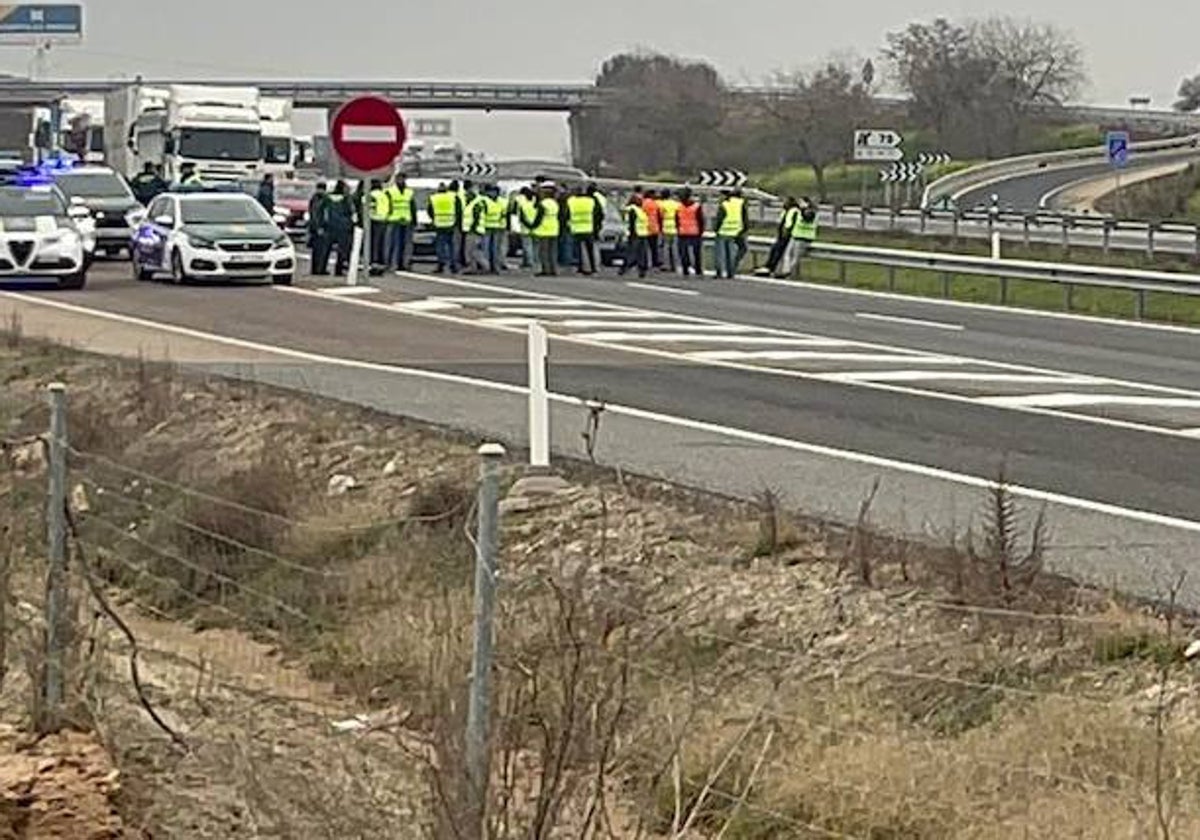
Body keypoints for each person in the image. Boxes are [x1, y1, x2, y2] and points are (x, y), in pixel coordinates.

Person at [775, 199, 819, 278]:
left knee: (795, 257)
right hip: (796, 236)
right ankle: (786, 271)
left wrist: (803, 209)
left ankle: (787, 272)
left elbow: (807, 217)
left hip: (803, 238)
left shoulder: (810, 213)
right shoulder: (800, 212)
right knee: (787, 255)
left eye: (802, 202)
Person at [566, 184, 602, 276]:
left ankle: (580, 268)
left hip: (576, 228)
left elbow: (567, 214)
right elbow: (599, 214)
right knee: (590, 250)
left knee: (578, 251)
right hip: (589, 228)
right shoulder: (591, 201)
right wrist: (597, 226)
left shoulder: (571, 201)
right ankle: (593, 269)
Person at [427, 181, 462, 274]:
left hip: (439, 224)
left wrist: (435, 219)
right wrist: (457, 222)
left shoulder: (434, 198)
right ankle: (453, 265)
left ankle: (441, 264)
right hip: (451, 224)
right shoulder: (453, 197)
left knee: (440, 246)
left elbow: (430, 210)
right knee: (452, 245)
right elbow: (459, 210)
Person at [759, 197, 799, 276]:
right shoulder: (785, 211)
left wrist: (787, 233)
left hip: (788, 235)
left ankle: (771, 268)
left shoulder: (794, 211)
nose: (784, 203)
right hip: (781, 234)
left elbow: (791, 224)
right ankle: (768, 266)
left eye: (786, 201)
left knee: (778, 251)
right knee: (774, 249)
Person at [713, 189, 748, 279]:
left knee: (720, 253)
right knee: (731, 253)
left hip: (723, 231)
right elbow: (744, 217)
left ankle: (719, 272)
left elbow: (720, 218)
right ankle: (731, 273)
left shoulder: (725, 204)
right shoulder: (741, 203)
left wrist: (716, 229)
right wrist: (743, 229)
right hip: (735, 231)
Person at [385, 173, 416, 271]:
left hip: (406, 220)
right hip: (394, 220)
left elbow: (412, 207)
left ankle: (405, 264)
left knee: (406, 244)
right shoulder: (390, 192)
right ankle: (392, 264)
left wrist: (414, 220)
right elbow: (386, 206)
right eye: (399, 179)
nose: (401, 181)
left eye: (403, 179)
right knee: (394, 244)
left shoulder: (409, 192)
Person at [325, 180, 355, 277]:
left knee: (326, 249)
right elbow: (351, 212)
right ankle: (339, 269)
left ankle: (321, 267)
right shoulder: (346, 199)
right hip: (343, 227)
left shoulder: (328, 198)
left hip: (330, 226)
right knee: (343, 249)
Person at [529, 183, 561, 277]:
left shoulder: (543, 204)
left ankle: (545, 269)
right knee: (553, 252)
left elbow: (539, 217)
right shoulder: (555, 203)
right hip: (554, 229)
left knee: (544, 252)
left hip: (543, 230)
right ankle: (553, 269)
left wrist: (532, 226)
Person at [617, 191, 649, 279]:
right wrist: (631, 234)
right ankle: (625, 268)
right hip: (636, 234)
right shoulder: (633, 209)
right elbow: (631, 223)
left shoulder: (639, 209)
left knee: (640, 254)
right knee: (632, 253)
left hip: (642, 234)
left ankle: (641, 269)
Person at [676, 189, 705, 276]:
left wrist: (678, 229)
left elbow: (676, 220)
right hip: (694, 231)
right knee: (696, 252)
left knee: (683, 252)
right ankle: (698, 269)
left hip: (683, 232)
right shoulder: (696, 206)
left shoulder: (679, 207)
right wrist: (701, 231)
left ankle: (686, 269)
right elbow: (701, 220)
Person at [462, 185, 489, 274]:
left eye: (467, 195)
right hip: (471, 230)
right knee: (471, 251)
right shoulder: (471, 203)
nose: (466, 197)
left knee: (473, 251)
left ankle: (485, 266)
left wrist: (472, 228)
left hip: (474, 231)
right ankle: (472, 267)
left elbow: (476, 217)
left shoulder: (476, 204)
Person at [366, 178, 390, 274]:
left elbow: (369, 208)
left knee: (373, 244)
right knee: (381, 244)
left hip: (374, 221)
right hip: (383, 220)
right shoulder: (384, 195)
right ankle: (381, 263)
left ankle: (374, 263)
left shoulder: (371, 195)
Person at [482, 184, 508, 273]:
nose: (493, 193)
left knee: (494, 248)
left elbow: (504, 214)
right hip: (487, 227)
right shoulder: (485, 201)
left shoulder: (500, 201)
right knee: (487, 248)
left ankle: (494, 266)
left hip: (496, 227)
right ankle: (487, 266)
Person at [308, 181, 331, 275]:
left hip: (315, 228)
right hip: (320, 227)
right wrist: (319, 227)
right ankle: (319, 269)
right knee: (321, 250)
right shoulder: (322, 198)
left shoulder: (314, 198)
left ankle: (316, 268)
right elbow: (317, 214)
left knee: (316, 250)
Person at [657, 189, 681, 273]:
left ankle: (666, 265)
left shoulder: (661, 204)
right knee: (674, 247)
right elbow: (678, 216)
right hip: (674, 227)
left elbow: (660, 216)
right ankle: (675, 265)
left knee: (666, 247)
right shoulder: (676, 204)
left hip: (665, 226)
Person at [640, 187, 662, 269]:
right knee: (654, 247)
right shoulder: (655, 203)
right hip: (654, 227)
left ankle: (644, 263)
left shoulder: (643, 203)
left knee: (644, 247)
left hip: (644, 226)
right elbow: (659, 215)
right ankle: (655, 262)